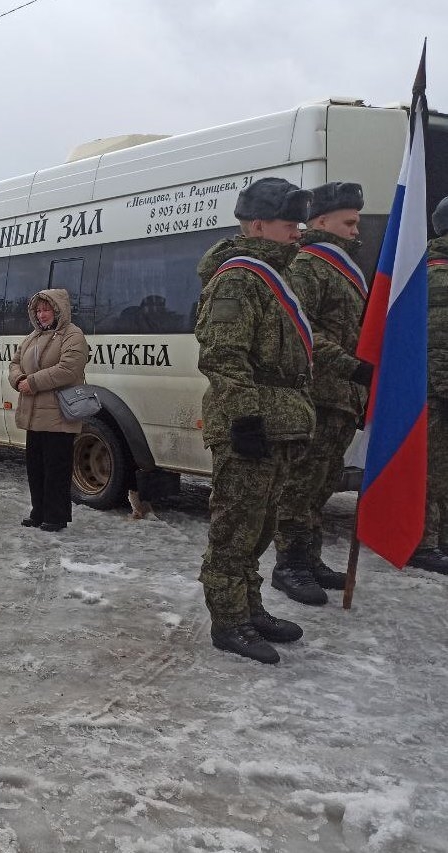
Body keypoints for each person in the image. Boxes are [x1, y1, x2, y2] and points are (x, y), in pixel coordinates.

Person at [194, 177, 314, 665]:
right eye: (290, 224)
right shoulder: (239, 278)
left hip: (278, 422)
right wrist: (245, 419)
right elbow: (224, 356)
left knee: (260, 527)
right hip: (250, 424)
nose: (299, 232)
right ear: (259, 225)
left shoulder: (275, 275)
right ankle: (229, 622)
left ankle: (250, 608)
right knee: (235, 529)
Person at [272, 183, 373, 602]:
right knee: (300, 486)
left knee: (322, 485)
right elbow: (302, 331)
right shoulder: (308, 265)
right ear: (322, 221)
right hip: (317, 395)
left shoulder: (343, 269)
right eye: (348, 222)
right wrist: (354, 367)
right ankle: (289, 565)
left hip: (342, 398)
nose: (355, 230)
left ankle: (309, 558)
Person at [7, 290, 89, 532]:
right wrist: (19, 379)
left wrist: (32, 383)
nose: (42, 315)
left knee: (56, 469)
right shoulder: (32, 337)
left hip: (58, 415)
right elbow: (14, 363)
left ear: (58, 310)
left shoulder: (73, 335)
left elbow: (69, 369)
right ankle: (39, 512)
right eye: (38, 310)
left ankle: (56, 516)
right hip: (34, 415)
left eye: (46, 310)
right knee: (36, 468)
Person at [411, 197, 448, 572]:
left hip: (439, 389)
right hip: (437, 393)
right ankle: (423, 543)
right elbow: (438, 345)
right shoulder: (438, 275)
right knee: (432, 471)